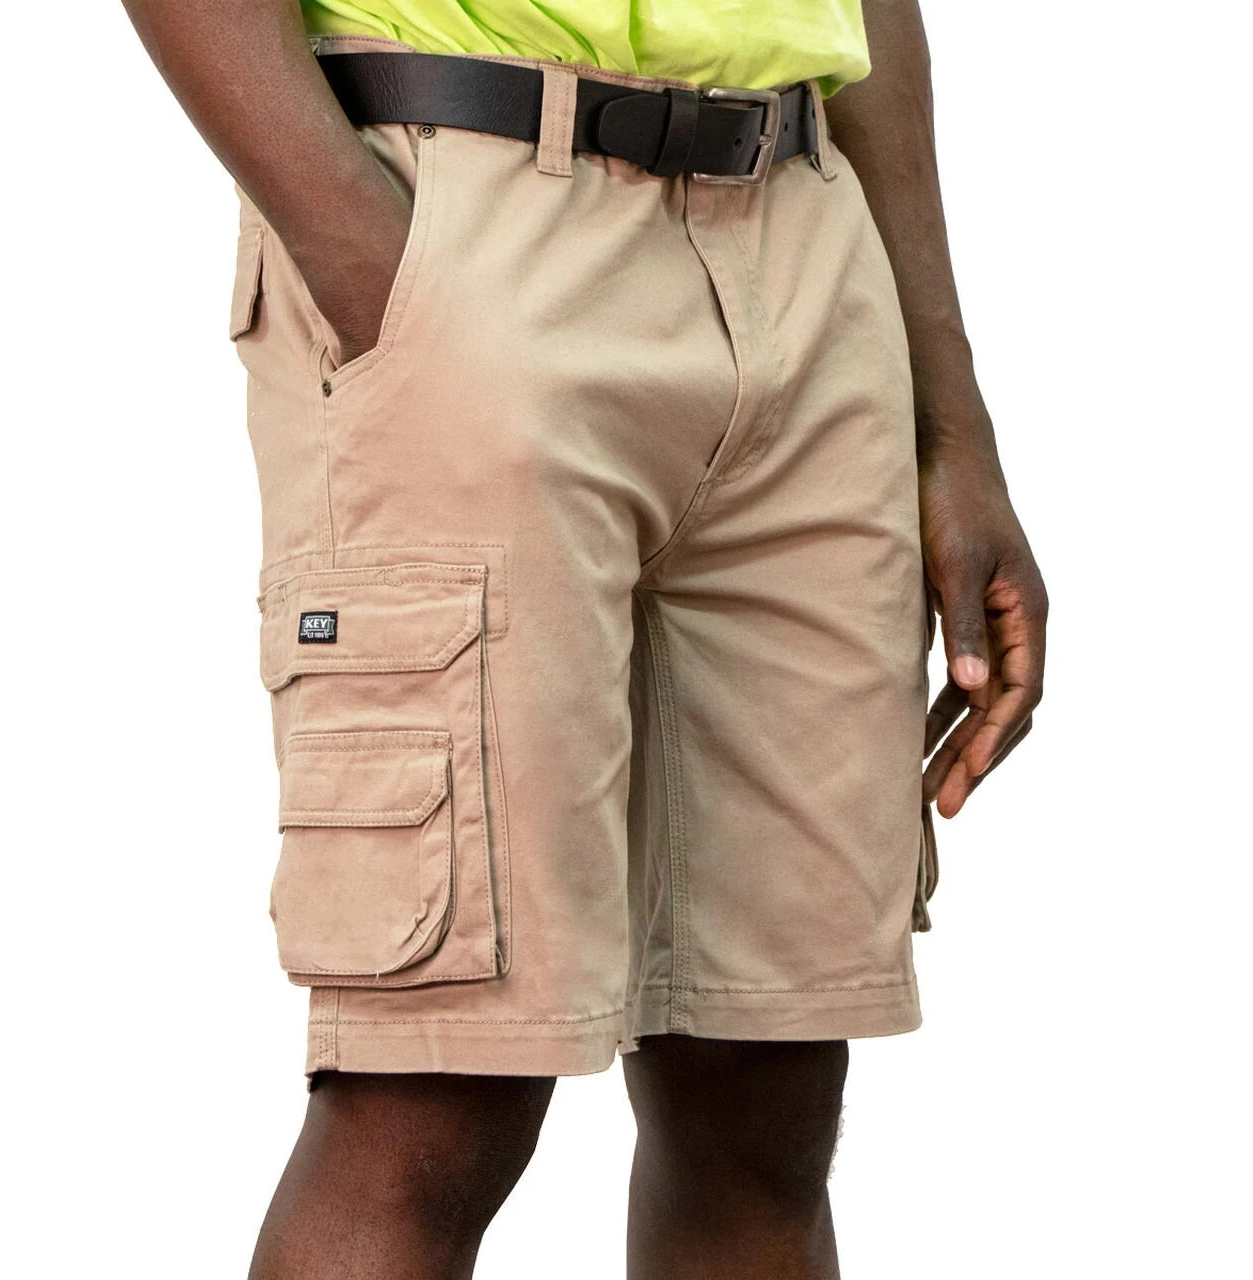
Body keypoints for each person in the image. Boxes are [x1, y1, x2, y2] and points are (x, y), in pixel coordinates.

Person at [121, 1, 1047, 1276]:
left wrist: (952, 424)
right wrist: (376, 262)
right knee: (439, 1090)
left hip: (807, 253)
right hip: (467, 200)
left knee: (764, 1088)